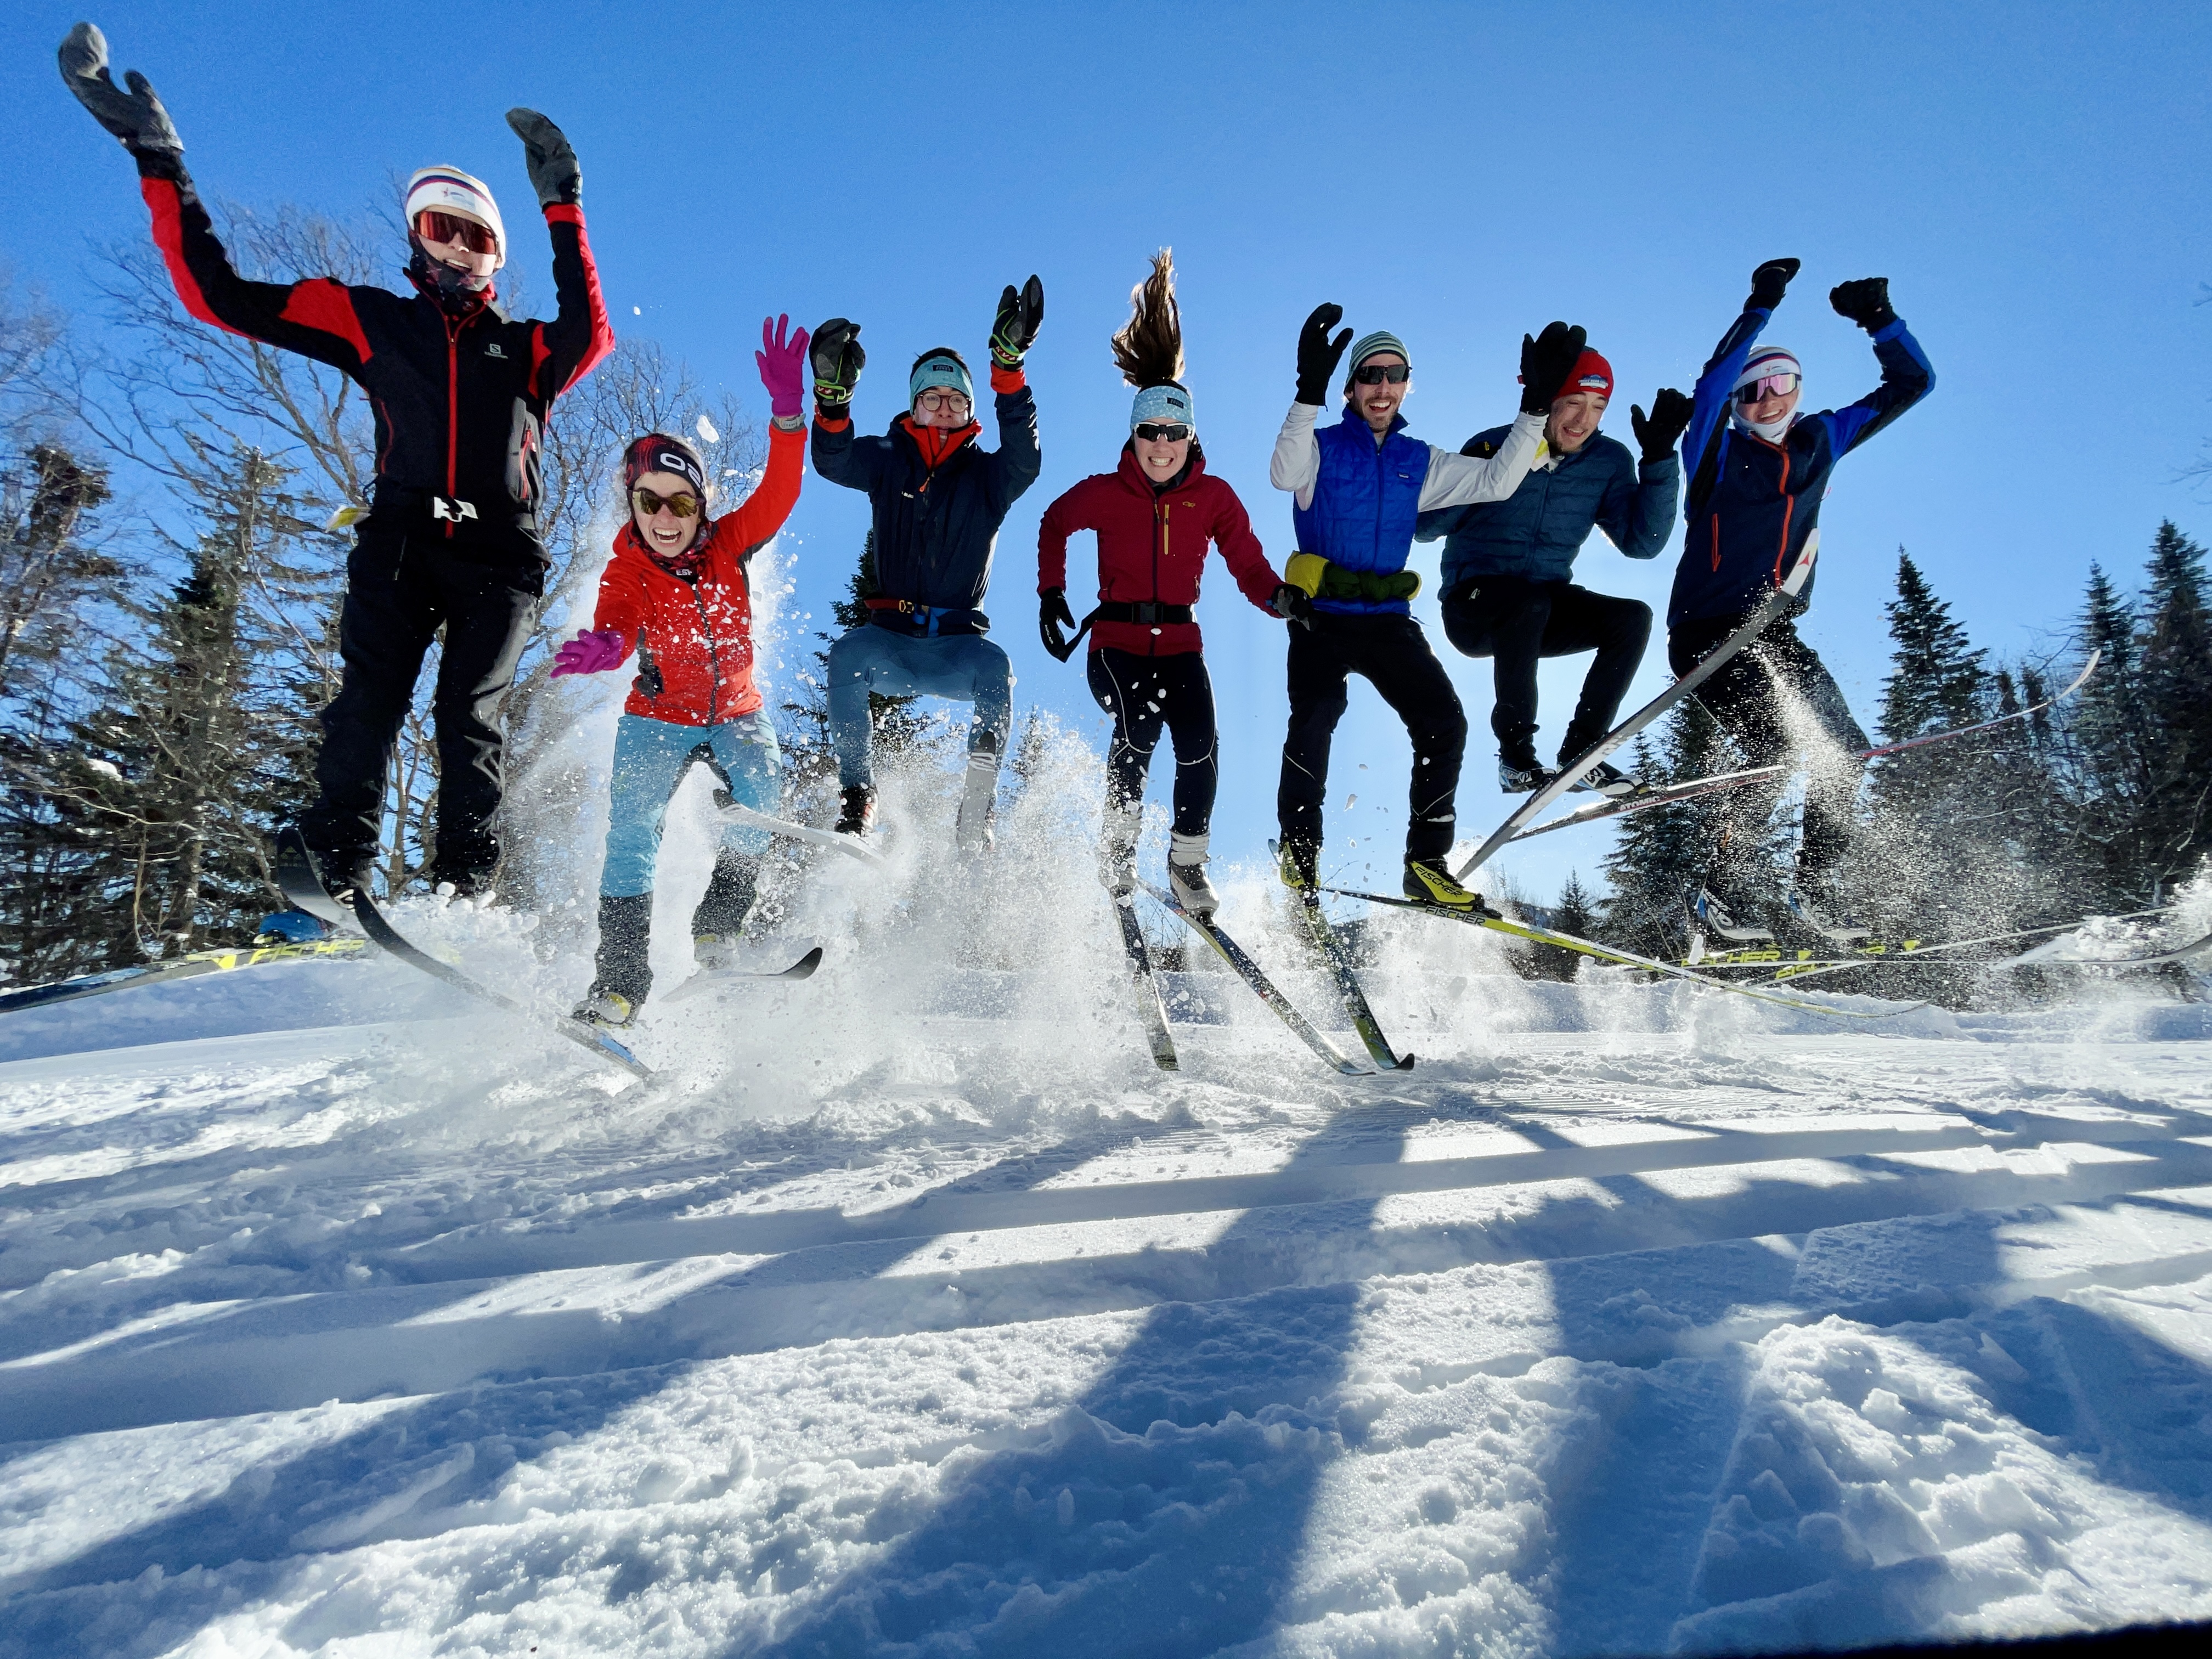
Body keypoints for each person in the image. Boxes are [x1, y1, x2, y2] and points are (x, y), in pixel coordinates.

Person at [58, 25, 613, 902]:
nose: (459, 248)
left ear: (497, 254)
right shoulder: (370, 320)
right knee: (367, 703)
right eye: (441, 228)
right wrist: (160, 160)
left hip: (499, 557)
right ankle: (334, 862)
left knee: (469, 719)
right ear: (417, 238)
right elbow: (219, 296)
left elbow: (593, 333)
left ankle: (466, 889)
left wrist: (564, 206)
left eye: (476, 235)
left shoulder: (528, 346)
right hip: (400, 538)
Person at [1269, 308, 1588, 910]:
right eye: (1370, 375)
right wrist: (1307, 392)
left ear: (1408, 383)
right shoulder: (1319, 448)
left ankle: (1425, 865)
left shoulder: (1421, 461)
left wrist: (1537, 408)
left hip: (1387, 620)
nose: (1382, 387)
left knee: (1445, 721)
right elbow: (1283, 472)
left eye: (1394, 375)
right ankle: (1300, 849)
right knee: (1315, 715)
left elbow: (1497, 481)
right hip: (1322, 617)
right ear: (1352, 386)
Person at [547, 321, 809, 1029]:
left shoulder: (731, 542)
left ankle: (719, 927)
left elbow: (781, 491)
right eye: (651, 502)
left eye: (682, 503)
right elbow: (619, 617)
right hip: (656, 720)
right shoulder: (627, 568)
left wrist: (789, 416)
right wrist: (606, 646)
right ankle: (621, 984)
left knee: (761, 796)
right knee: (630, 834)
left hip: (737, 714)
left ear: (702, 507)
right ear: (633, 504)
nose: (667, 517)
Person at [1669, 257, 1934, 944]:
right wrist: (1759, 305)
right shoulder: (1716, 455)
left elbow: (1913, 384)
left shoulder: (1823, 439)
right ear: (1738, 405)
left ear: (1799, 389)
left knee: (1845, 751)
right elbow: (1708, 391)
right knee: (1776, 747)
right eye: (1753, 392)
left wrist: (1880, 320)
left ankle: (1813, 893)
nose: (1769, 400)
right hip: (1710, 634)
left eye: (1781, 384)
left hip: (1775, 632)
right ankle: (1718, 899)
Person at [1035, 252, 1290, 917]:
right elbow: (1055, 521)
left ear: (1190, 437)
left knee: (1201, 740)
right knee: (1139, 722)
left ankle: (1186, 863)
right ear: (1135, 434)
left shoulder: (1213, 498)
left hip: (1180, 642)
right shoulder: (1105, 492)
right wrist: (1051, 591)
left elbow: (1247, 562)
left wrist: (1279, 600)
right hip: (1114, 644)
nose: (1161, 443)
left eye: (1174, 432)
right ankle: (1117, 846)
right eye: (1149, 431)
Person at [808, 279, 1044, 851]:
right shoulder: (887, 461)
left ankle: (977, 808)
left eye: (955, 398)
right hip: (890, 642)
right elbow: (833, 462)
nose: (943, 406)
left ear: (970, 409)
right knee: (847, 653)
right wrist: (833, 401)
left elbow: (1026, 459)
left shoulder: (990, 478)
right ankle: (858, 797)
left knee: (998, 670)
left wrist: (1007, 370)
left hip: (958, 648)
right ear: (913, 405)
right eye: (931, 396)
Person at [1415, 349, 1688, 794]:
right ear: (1550, 400)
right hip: (1474, 606)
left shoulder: (1607, 462)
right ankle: (1516, 759)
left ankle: (1583, 754)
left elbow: (1644, 544)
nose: (1584, 420)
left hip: (1542, 604)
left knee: (1631, 618)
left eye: (1598, 408)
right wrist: (1496, 467)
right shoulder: (1494, 444)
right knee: (1528, 603)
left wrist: (1658, 461)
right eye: (1574, 402)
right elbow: (1426, 530)